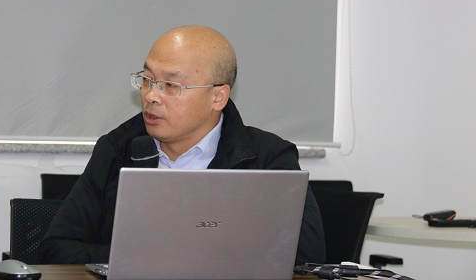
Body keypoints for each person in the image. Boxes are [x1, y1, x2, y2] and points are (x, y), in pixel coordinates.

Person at [38, 25, 325, 266]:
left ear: (218, 97)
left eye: (171, 86)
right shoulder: (117, 149)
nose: (151, 96)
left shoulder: (267, 158)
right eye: (147, 80)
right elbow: (56, 249)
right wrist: (146, 260)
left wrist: (184, 259)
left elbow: (305, 257)